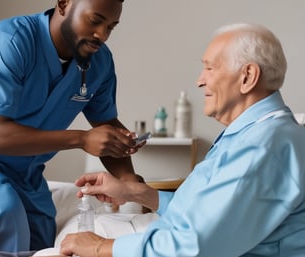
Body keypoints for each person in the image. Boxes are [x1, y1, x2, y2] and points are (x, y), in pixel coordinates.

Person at [59, 23, 305, 257]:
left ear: (247, 76)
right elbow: (212, 212)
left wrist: (100, 247)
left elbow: (195, 246)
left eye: (210, 68)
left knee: (64, 243)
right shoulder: (257, 134)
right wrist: (136, 192)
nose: (200, 80)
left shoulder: (262, 148)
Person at [0, 0, 145, 253]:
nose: (102, 35)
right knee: (2, 214)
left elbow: (106, 125)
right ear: (64, 3)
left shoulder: (100, 62)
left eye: (111, 26)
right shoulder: (8, 42)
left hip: (24, 167)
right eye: (95, 20)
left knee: (42, 242)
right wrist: (82, 139)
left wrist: (129, 183)